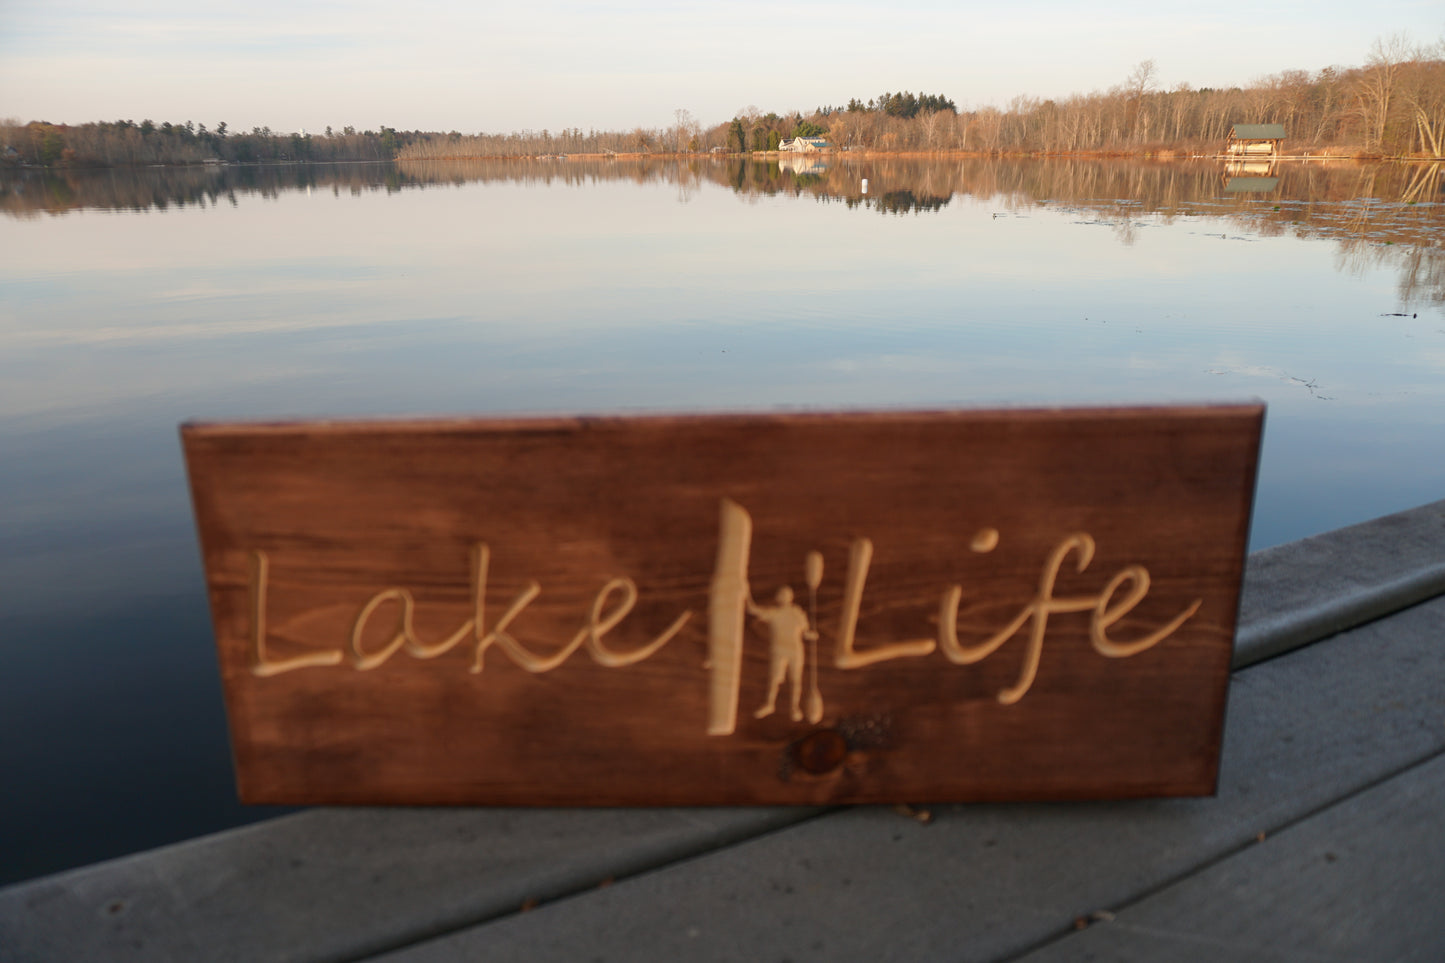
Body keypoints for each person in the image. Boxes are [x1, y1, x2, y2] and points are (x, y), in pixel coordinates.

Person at [748, 585, 816, 721]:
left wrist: (810, 634)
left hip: (795, 650)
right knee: (774, 678)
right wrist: (746, 594)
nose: (783, 597)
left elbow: (805, 631)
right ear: (778, 598)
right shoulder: (774, 613)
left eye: (785, 594)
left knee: (795, 680)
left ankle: (795, 708)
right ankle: (769, 704)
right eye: (781, 594)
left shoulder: (797, 613)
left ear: (790, 597)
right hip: (779, 650)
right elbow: (753, 610)